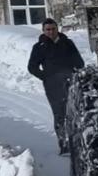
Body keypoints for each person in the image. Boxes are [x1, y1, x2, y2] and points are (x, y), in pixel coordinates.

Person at [26, 18, 84, 154]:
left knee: (75, 112)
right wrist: (46, 77)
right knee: (59, 114)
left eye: (53, 29)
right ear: (43, 31)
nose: (51, 32)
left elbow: (79, 62)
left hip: (71, 83)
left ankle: (77, 142)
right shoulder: (39, 47)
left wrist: (76, 74)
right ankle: (64, 144)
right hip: (53, 86)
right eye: (48, 30)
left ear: (57, 29)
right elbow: (32, 67)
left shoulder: (68, 43)